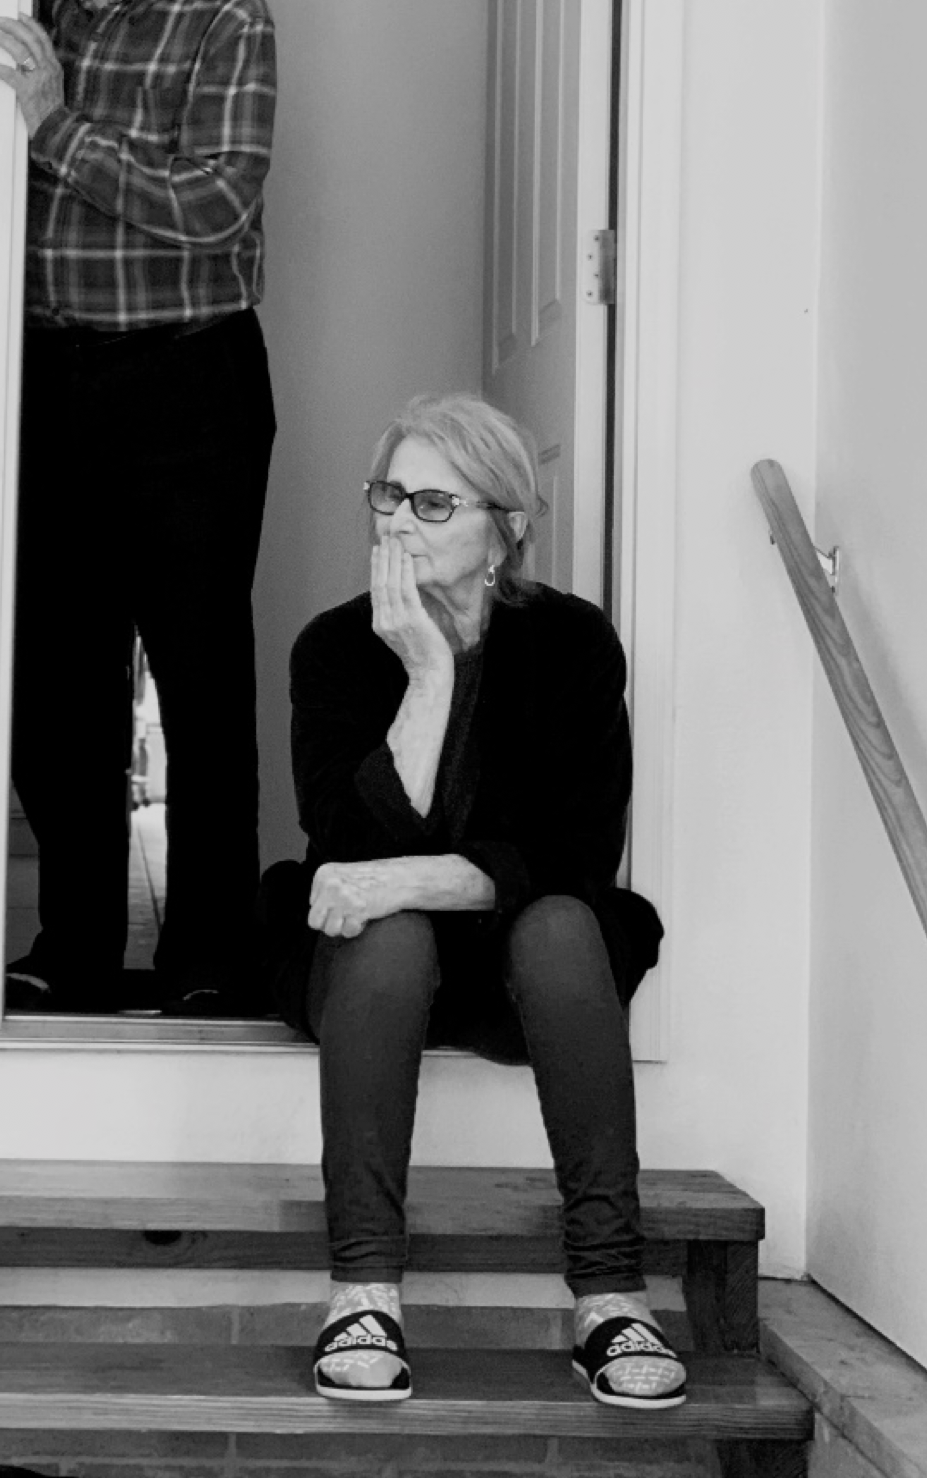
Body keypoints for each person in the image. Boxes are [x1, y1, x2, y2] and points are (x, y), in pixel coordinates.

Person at [261, 393, 686, 1410]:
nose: (396, 520)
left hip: (522, 974)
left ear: (506, 527)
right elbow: (344, 852)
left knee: (559, 922)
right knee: (386, 929)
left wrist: (411, 876)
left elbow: (575, 853)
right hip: (378, 976)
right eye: (388, 494)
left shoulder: (573, 645)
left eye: (431, 502)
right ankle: (361, 1292)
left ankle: (608, 1296)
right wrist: (424, 676)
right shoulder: (332, 648)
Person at [0, 0, 277, 1018]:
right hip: (48, 373)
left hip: (188, 379)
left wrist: (54, 128)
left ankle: (207, 953)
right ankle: (79, 947)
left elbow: (215, 202)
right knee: (55, 674)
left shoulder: (225, 12)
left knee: (198, 673)